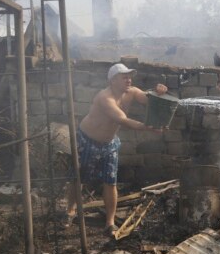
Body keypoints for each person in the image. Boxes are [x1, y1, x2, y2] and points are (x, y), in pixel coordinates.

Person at [63, 63, 168, 237]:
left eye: (129, 76)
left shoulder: (132, 91)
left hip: (109, 143)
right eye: (124, 77)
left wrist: (159, 92)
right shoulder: (105, 98)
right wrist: (148, 127)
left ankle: (109, 222)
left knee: (110, 182)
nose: (129, 80)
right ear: (112, 80)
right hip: (88, 140)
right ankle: (70, 211)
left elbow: (148, 99)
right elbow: (123, 120)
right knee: (78, 177)